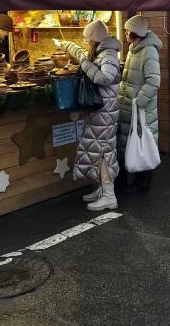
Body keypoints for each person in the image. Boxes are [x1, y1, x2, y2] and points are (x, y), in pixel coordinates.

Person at [58, 20, 121, 212]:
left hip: (104, 110)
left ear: (95, 39)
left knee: (102, 151)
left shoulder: (108, 54)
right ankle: (103, 190)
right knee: (98, 148)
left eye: (87, 39)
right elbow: (88, 61)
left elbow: (105, 78)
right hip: (102, 109)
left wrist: (84, 63)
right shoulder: (102, 52)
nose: (86, 43)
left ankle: (109, 196)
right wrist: (71, 48)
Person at [117, 15, 162, 194]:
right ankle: (131, 181)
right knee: (129, 143)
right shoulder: (133, 48)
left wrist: (138, 101)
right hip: (128, 107)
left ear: (135, 32)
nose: (126, 33)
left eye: (128, 30)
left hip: (141, 110)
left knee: (142, 144)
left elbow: (153, 82)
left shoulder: (148, 50)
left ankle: (142, 183)